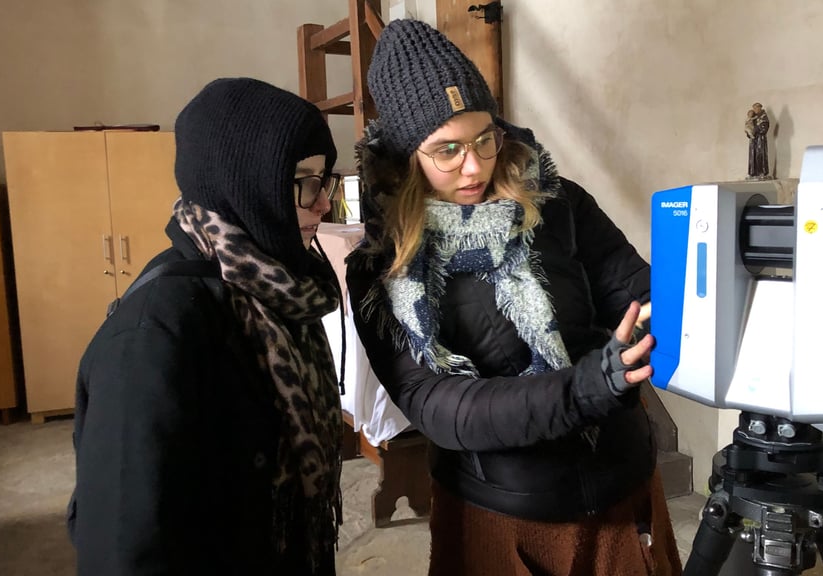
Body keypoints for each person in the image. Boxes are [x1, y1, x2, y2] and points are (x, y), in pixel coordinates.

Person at [346, 19, 682, 576]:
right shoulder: (383, 267)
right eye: (446, 151)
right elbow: (440, 408)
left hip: (623, 484)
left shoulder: (558, 203)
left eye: (484, 138)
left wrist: (682, 319)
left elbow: (634, 289)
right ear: (407, 157)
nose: (475, 164)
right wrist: (584, 389)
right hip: (504, 511)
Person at [69, 78, 345, 575]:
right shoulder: (155, 333)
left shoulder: (281, 290)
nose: (322, 203)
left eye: (324, 180)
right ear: (244, 184)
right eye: (304, 182)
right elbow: (123, 548)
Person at [747, 102, 770, 179]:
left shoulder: (764, 117)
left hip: (760, 138)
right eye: (754, 108)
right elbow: (749, 125)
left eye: (756, 108)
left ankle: (762, 172)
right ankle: (753, 172)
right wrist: (749, 132)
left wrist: (756, 129)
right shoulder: (753, 117)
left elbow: (764, 127)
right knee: (753, 155)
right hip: (753, 140)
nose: (755, 110)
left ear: (760, 108)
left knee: (760, 155)